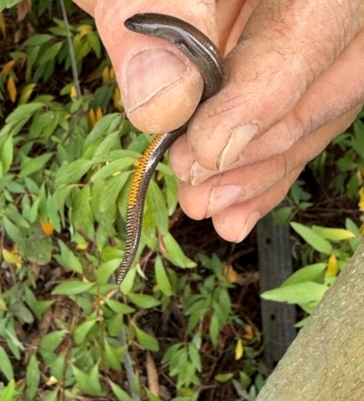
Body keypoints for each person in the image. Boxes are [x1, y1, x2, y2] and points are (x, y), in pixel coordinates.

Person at [73, 0, 364, 242]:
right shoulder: (167, 31)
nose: (135, 28)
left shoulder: (172, 34)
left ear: (157, 33)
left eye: (139, 27)